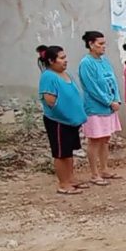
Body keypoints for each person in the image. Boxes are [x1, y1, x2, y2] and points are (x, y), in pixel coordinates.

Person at [37, 45, 89, 195]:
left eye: (65, 57)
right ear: (52, 61)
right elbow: (50, 100)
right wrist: (65, 114)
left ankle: (70, 179)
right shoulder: (48, 76)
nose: (65, 61)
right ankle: (63, 184)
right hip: (58, 122)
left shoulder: (65, 74)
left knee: (68, 152)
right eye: (61, 58)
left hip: (71, 121)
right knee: (60, 153)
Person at [78, 31, 122, 186]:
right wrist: (109, 101)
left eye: (104, 44)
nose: (103, 47)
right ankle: (94, 173)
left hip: (109, 107)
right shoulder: (86, 63)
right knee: (95, 140)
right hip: (95, 108)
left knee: (105, 139)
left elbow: (113, 81)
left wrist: (116, 98)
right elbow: (92, 87)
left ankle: (104, 168)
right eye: (100, 44)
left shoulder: (104, 61)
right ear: (91, 44)